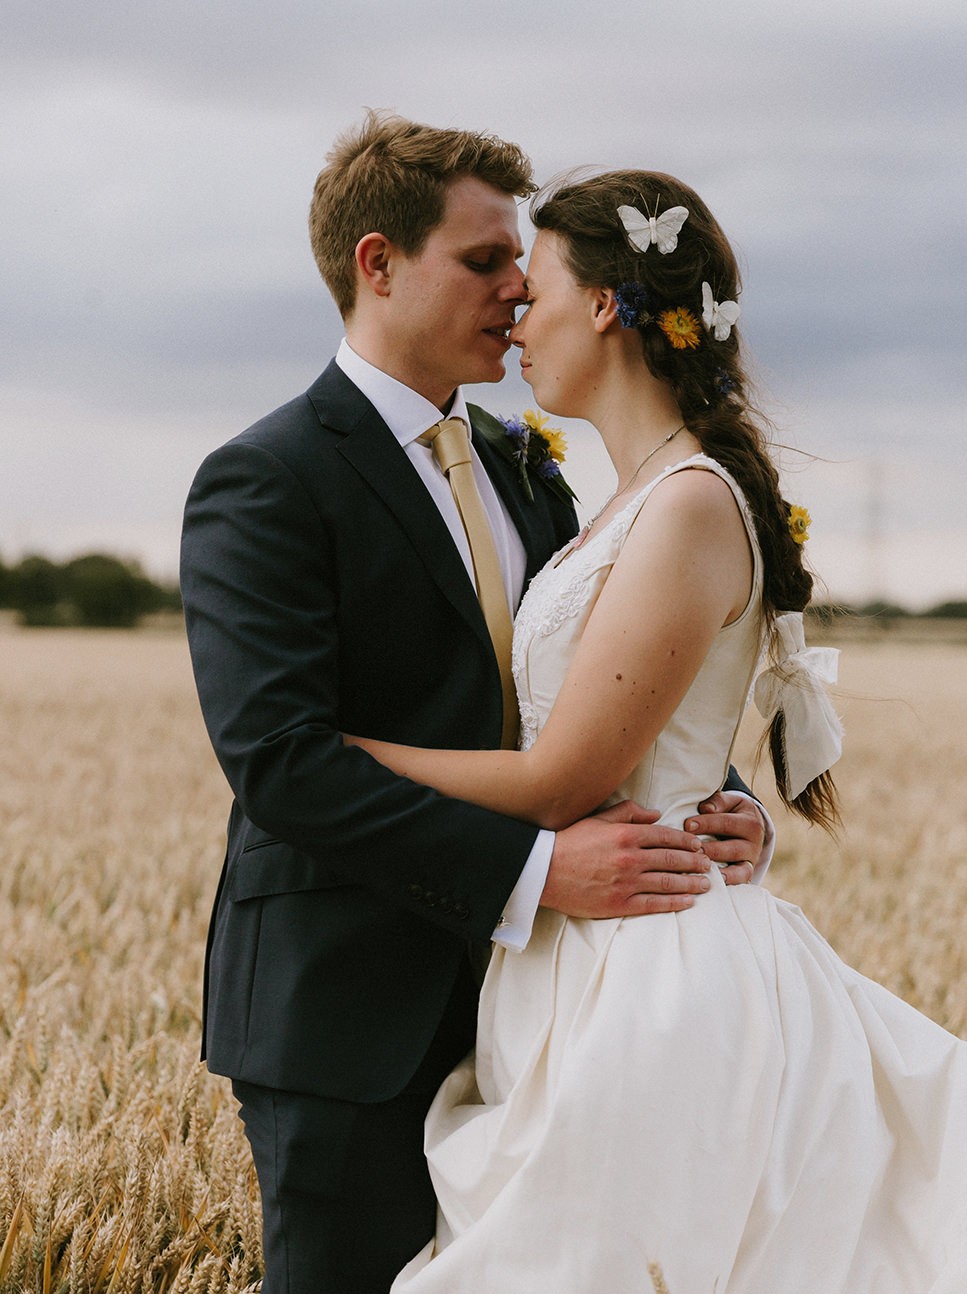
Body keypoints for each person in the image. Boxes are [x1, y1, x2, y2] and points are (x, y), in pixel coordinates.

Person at [342, 169, 967, 1292]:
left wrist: (346, 755)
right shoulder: (620, 497)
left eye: (534, 283)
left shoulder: (687, 500)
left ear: (604, 305)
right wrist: (733, 803)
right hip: (583, 947)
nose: (515, 310)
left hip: (651, 971)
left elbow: (563, 780)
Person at [179, 113, 768, 1294]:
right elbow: (285, 766)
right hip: (351, 1012)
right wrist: (536, 871)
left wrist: (717, 795)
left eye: (521, 265)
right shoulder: (267, 478)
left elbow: (591, 685)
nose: (516, 288)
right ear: (378, 263)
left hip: (544, 1006)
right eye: (484, 259)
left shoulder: (520, 463)